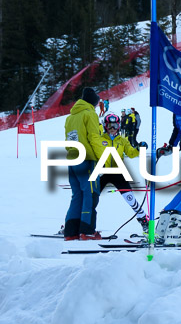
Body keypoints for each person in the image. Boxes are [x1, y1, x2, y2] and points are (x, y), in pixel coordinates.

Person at [63, 87, 105, 240]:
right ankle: (87, 230)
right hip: (87, 159)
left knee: (77, 195)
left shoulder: (70, 117)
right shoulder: (90, 114)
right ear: (93, 103)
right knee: (91, 194)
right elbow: (94, 138)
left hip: (73, 159)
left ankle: (71, 231)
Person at [97, 113, 149, 234]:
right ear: (105, 126)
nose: (113, 128)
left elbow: (131, 153)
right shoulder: (99, 139)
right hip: (102, 172)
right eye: (110, 125)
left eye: (115, 125)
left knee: (130, 198)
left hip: (118, 172)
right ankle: (78, 223)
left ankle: (143, 219)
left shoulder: (123, 140)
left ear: (119, 126)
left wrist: (138, 149)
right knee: (91, 198)